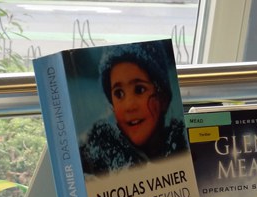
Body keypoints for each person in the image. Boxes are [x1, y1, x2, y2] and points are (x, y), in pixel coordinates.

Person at [78, 42, 188, 174]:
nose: (129, 106)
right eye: (119, 94)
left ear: (163, 98)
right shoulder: (91, 167)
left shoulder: (185, 152)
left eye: (139, 90)